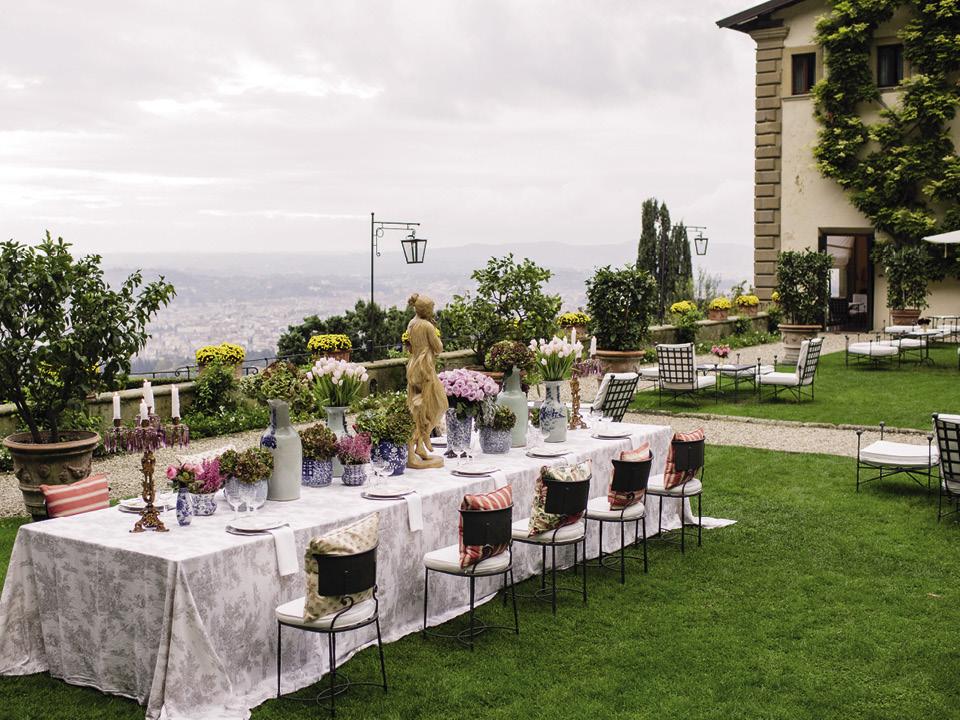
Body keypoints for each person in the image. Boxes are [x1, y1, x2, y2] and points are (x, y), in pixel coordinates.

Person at [405, 293, 448, 469]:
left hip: (413, 367)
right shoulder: (427, 326)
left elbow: (409, 346)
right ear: (425, 310)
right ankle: (420, 438)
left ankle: (421, 445)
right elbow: (438, 348)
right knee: (440, 404)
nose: (433, 311)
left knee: (419, 407)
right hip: (425, 368)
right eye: (431, 308)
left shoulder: (411, 323)